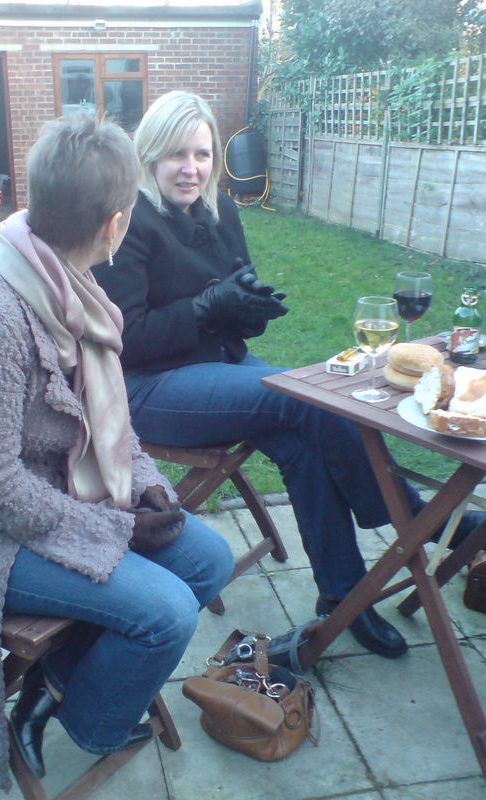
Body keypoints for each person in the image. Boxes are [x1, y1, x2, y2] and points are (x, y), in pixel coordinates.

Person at [93, 90, 484, 661]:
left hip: (221, 366)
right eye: (177, 154)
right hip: (150, 387)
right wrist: (207, 307)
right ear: (150, 153)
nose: (191, 168)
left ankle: (344, 596)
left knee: (303, 441)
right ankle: (420, 519)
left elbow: (236, 298)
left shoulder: (220, 211)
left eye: (202, 154)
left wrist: (246, 308)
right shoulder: (129, 221)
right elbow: (126, 337)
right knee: (306, 399)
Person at [0, 111, 233, 791]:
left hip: (62, 500)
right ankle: (93, 722)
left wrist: (146, 484)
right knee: (167, 613)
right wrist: (112, 528)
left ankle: (50, 689)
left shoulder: (71, 289)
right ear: (115, 225)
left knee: (209, 558)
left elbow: (109, 421)